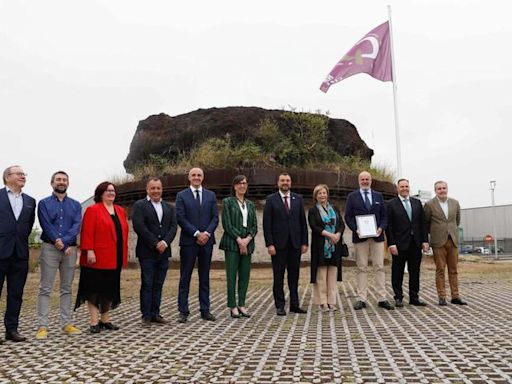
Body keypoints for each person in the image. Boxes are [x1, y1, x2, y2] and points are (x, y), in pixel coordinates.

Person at [74, 182, 129, 333]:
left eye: (113, 190)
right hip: (96, 258)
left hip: (114, 258)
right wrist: (89, 250)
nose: (111, 193)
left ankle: (105, 320)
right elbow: (87, 232)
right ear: (101, 193)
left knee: (108, 289)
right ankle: (93, 322)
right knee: (94, 290)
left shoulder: (120, 210)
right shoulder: (93, 210)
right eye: (107, 190)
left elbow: (123, 234)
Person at [36, 171, 82, 340]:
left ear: (68, 183)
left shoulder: (76, 205)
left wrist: (64, 243)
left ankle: (66, 324)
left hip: (70, 250)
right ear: (52, 183)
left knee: (66, 288)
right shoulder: (43, 203)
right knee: (45, 288)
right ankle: (42, 326)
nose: (61, 182)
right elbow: (46, 225)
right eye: (58, 180)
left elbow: (76, 226)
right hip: (50, 248)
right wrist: (60, 243)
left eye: (64, 180)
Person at [344, 171, 394, 310]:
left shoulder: (378, 196)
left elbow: (384, 216)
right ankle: (361, 298)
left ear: (371, 181)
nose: (365, 181)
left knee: (379, 267)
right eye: (363, 179)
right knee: (362, 268)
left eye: (367, 179)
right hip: (360, 238)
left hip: (377, 237)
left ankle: (382, 298)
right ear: (359, 181)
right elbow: (348, 217)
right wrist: (356, 229)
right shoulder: (352, 197)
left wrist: (381, 228)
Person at [132, 177, 177, 327]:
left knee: (159, 283)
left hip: (164, 252)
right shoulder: (140, 205)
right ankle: (146, 315)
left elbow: (173, 227)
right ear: (147, 190)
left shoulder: (169, 207)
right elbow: (139, 226)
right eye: (153, 188)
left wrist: (164, 242)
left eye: (158, 188)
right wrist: (155, 243)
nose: (156, 191)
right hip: (147, 252)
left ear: (162, 189)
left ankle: (155, 313)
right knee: (147, 283)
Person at [176, 168, 219, 323]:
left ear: (203, 177)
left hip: (207, 242)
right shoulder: (181, 196)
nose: (196, 177)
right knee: (185, 276)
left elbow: (215, 218)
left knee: (204, 276)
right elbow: (180, 218)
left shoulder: (210, 195)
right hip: (189, 242)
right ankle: (183, 311)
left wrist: (206, 234)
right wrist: (196, 233)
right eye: (193, 175)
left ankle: (205, 310)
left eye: (199, 175)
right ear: (189, 177)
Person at [263, 172, 308, 316]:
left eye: (288, 180)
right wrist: (269, 244)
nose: (285, 183)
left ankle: (294, 304)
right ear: (278, 183)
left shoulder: (298, 199)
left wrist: (304, 242)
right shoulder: (271, 200)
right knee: (278, 276)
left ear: (291, 183)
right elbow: (267, 224)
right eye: (282, 180)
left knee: (294, 276)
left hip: (295, 244)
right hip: (278, 245)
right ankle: (280, 305)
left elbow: (303, 222)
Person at [0, 166, 35, 343]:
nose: (23, 176)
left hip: (20, 253)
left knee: (16, 293)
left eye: (24, 173)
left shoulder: (30, 201)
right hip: (0, 251)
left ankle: (11, 330)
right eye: (19, 173)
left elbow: (27, 226)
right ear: (7, 177)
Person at [385, 179, 429, 308]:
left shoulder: (416, 203)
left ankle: (414, 297)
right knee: (397, 272)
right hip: (399, 244)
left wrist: (425, 240)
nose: (404, 188)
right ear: (397, 189)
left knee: (415, 271)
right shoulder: (391, 204)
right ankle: (398, 297)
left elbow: (423, 223)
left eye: (406, 186)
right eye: (402, 186)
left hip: (416, 243)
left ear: (409, 187)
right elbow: (389, 226)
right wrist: (391, 243)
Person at [219, 175, 258, 318]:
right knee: (231, 275)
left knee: (245, 275)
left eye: (244, 183)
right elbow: (227, 224)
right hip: (232, 244)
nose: (242, 186)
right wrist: (239, 240)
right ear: (234, 186)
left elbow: (254, 225)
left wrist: (247, 240)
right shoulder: (228, 202)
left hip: (247, 244)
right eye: (239, 183)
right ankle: (232, 305)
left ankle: (242, 303)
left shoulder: (251, 204)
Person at [424, 181, 467, 306]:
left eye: (444, 188)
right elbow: (426, 223)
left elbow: (457, 221)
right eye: (439, 189)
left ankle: (455, 296)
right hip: (438, 242)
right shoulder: (429, 204)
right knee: (440, 270)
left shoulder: (455, 203)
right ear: (435, 190)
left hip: (452, 240)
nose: (442, 190)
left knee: (453, 270)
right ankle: (441, 296)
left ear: (447, 189)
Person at [307, 184, 346, 312]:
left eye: (324, 193)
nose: (322, 195)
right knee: (321, 275)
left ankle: (332, 301)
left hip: (335, 246)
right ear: (315, 196)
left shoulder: (334, 208)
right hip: (320, 246)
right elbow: (314, 226)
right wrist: (330, 235)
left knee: (332, 275)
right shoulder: (313, 211)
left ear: (327, 194)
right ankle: (322, 302)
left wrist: (338, 235)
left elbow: (341, 224)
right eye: (319, 193)